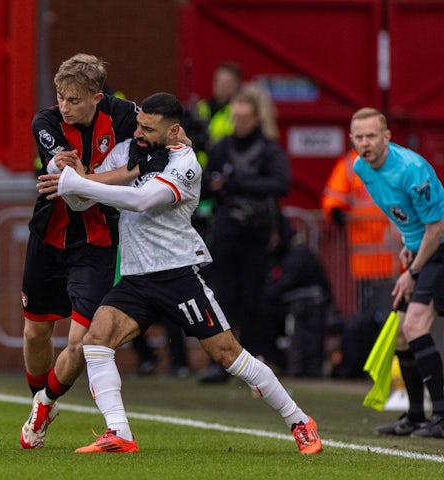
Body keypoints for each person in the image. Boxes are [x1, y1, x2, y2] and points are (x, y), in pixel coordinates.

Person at [40, 92, 322, 455]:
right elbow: (86, 194)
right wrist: (62, 172)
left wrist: (76, 185)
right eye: (139, 124)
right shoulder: (129, 151)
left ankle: (299, 420)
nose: (138, 133)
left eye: (148, 129)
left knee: (228, 354)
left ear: (174, 131)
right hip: (136, 276)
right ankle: (119, 433)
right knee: (96, 343)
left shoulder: (186, 163)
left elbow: (140, 200)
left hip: (176, 276)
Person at [18, 53, 140, 450]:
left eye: (73, 99)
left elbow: (156, 130)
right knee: (36, 331)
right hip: (49, 240)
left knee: (82, 342)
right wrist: (74, 173)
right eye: (60, 97)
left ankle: (44, 405)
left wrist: (177, 137)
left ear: (97, 97)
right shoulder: (46, 122)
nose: (64, 106)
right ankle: (39, 400)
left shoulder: (123, 114)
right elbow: (66, 179)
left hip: (97, 244)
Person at [350, 107, 444, 438]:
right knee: (404, 334)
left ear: (387, 137)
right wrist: (408, 243)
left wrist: (412, 271)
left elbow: (437, 228)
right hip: (422, 251)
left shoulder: (411, 170)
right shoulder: (361, 168)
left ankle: (442, 417)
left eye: (372, 136)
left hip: (440, 248)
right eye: (359, 137)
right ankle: (417, 416)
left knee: (415, 324)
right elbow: (401, 214)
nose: (365, 143)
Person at [199, 89, 291, 383]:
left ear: (255, 118)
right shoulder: (222, 147)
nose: (238, 123)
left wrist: (236, 182)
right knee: (222, 297)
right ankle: (220, 361)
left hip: (257, 233)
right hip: (226, 231)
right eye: (235, 117)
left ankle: (252, 362)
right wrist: (214, 186)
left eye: (244, 118)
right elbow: (204, 184)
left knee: (254, 299)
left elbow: (280, 182)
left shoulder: (268, 149)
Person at [321, 148, 399, 320]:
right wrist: (336, 212)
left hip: (396, 263)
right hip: (365, 263)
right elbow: (332, 200)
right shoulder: (350, 165)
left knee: (394, 316)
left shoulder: (397, 160)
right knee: (369, 316)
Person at [263, 213, 332, 376]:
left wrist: (267, 294)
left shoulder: (298, 253)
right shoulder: (282, 255)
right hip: (296, 302)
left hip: (308, 303)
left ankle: (302, 369)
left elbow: (286, 281)